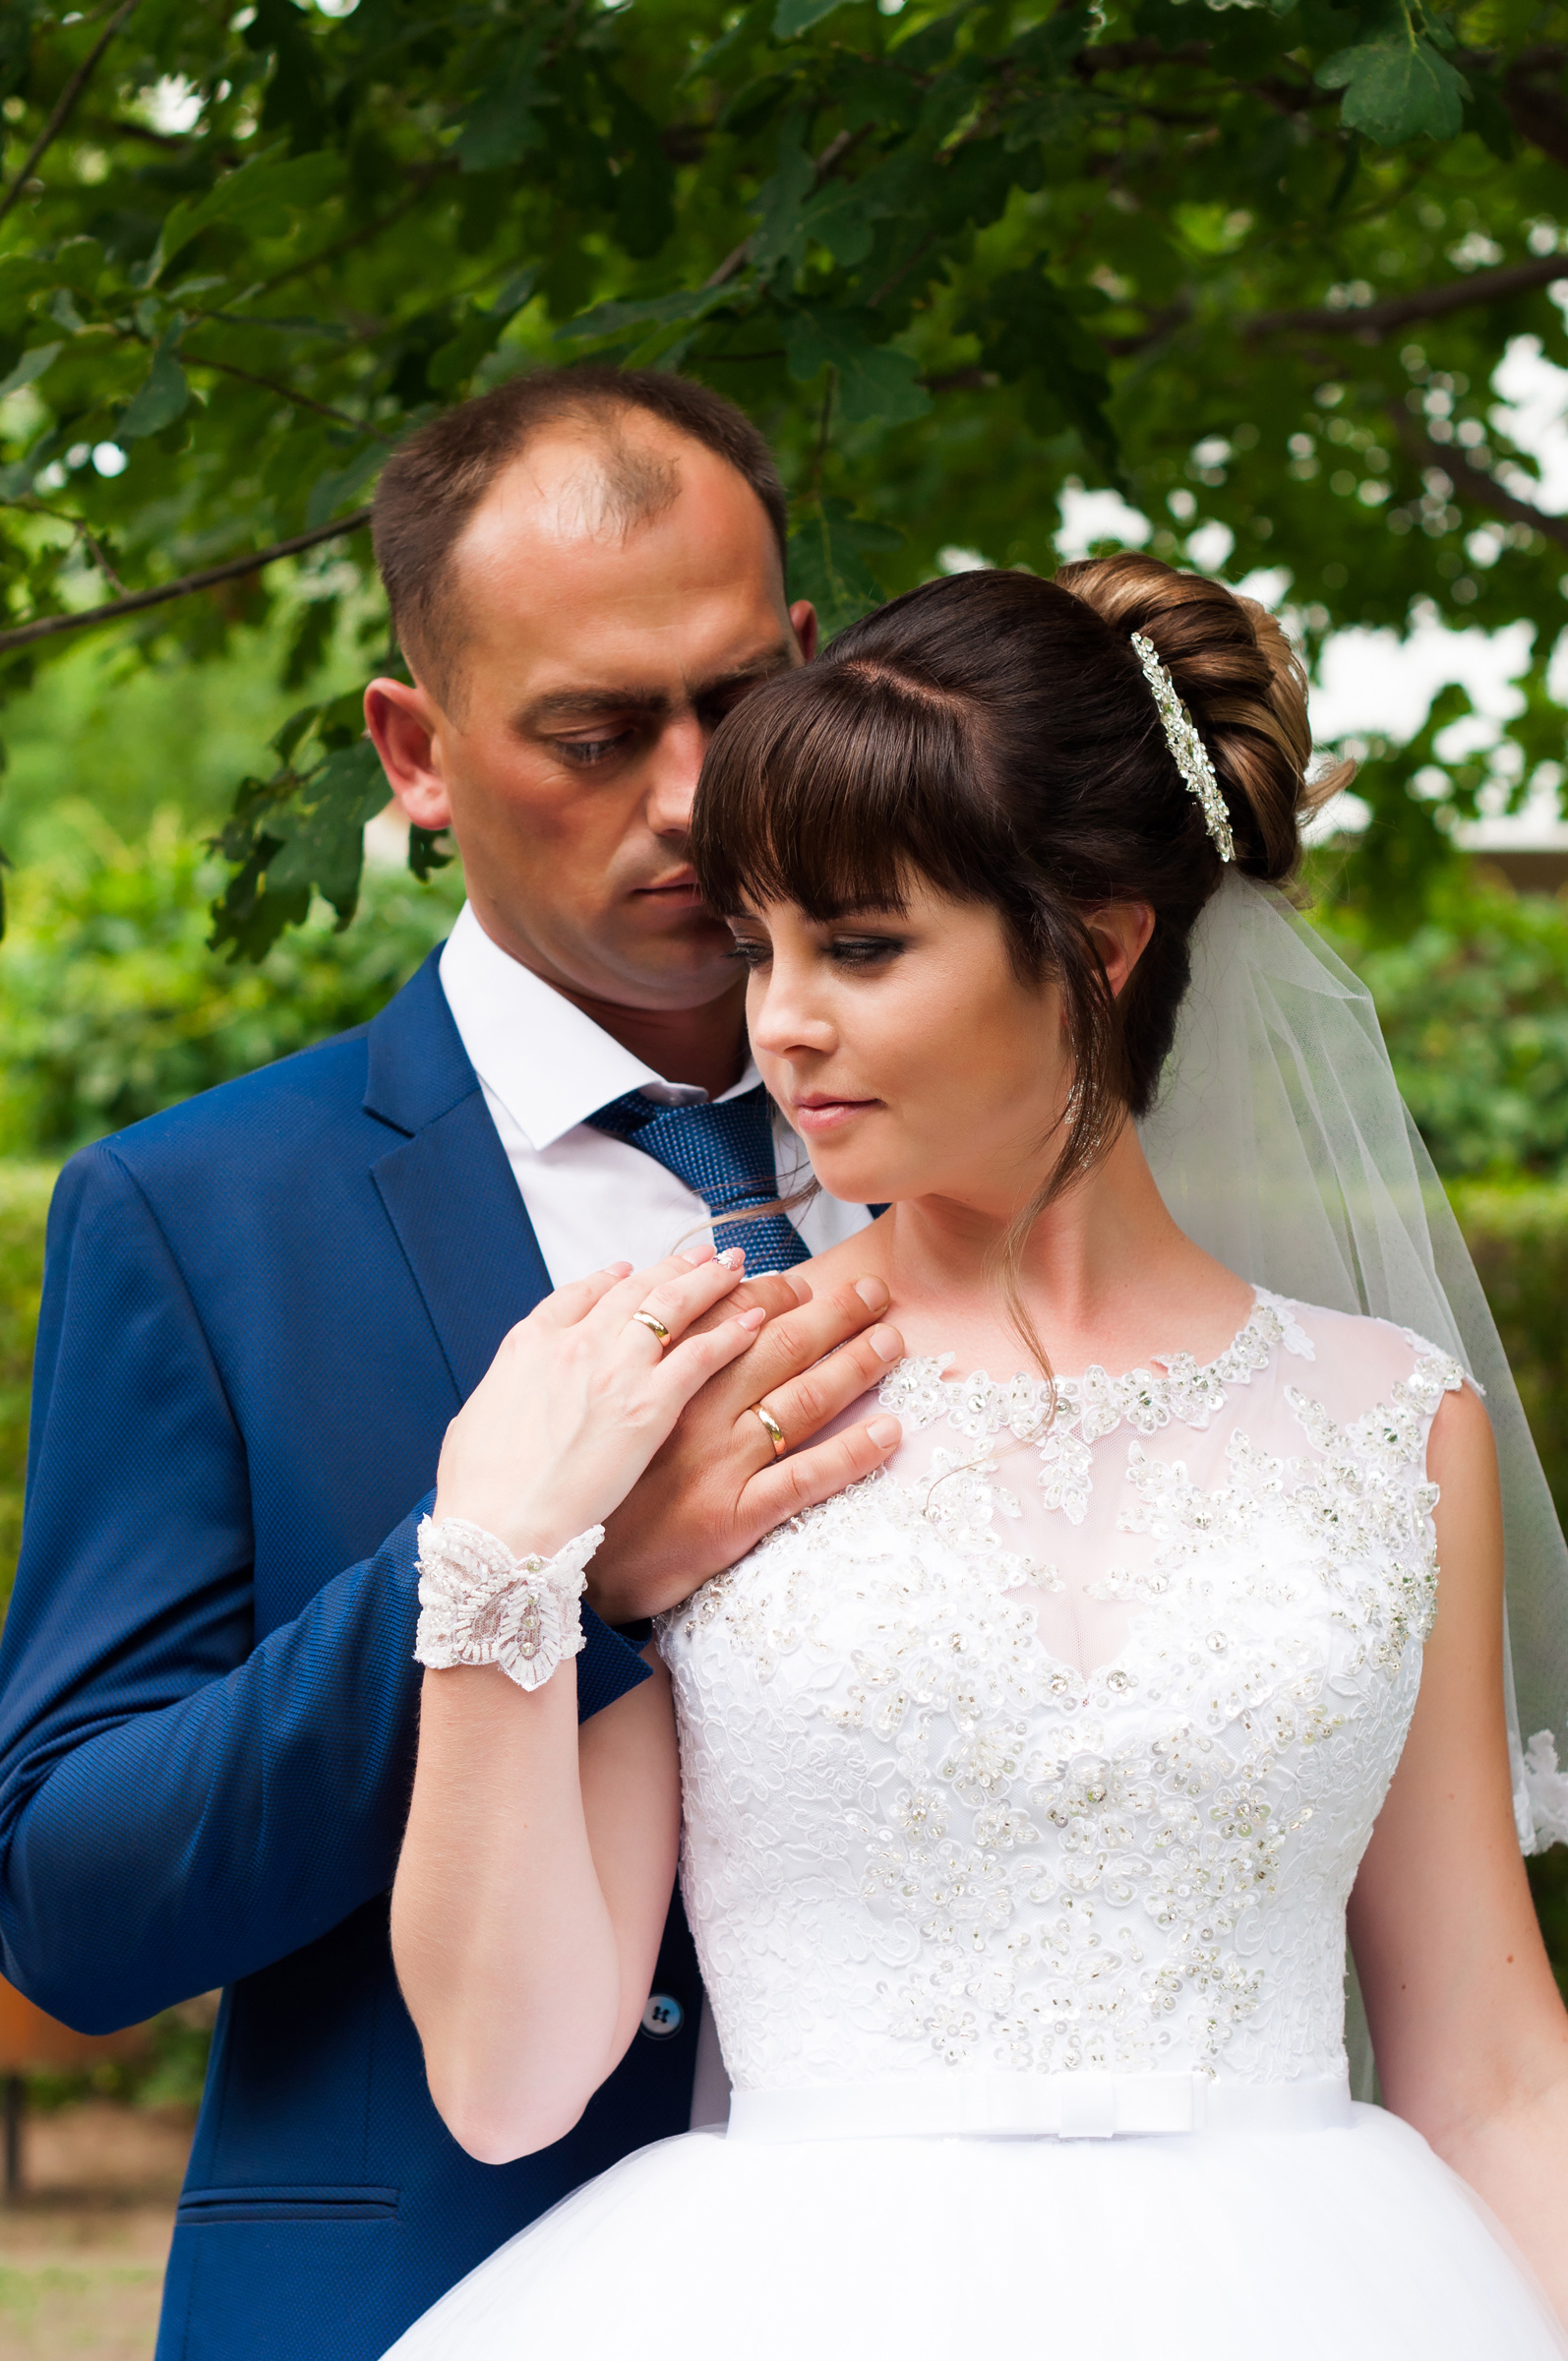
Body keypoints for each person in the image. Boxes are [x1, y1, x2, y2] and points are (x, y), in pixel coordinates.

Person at [382, 556, 1568, 2361]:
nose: (778, 1021)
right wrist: (494, 1564)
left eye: (859, 948)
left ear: (1096, 944)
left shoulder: (1392, 1429)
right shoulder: (693, 1391)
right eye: (758, 942)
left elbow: (1487, 2071)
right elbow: (508, 2078)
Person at [0, 368, 907, 2361]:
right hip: (426, 2296)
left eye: (738, 704)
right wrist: (545, 1582)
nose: (691, 795)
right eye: (592, 734)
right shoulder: (200, 1212)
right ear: (413, 752)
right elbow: (72, 1903)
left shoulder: (988, 1158)